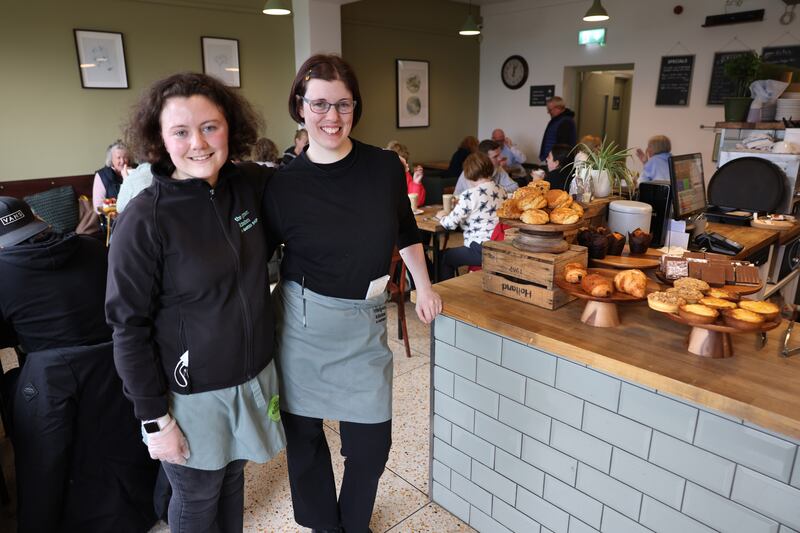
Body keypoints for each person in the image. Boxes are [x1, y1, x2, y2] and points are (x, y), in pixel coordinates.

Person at [266, 54, 442, 533]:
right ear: (300, 108)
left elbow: (405, 230)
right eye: (320, 104)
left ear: (356, 108)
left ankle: (354, 521)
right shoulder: (282, 184)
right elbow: (257, 256)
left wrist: (423, 288)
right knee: (304, 440)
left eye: (343, 104)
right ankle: (326, 525)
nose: (332, 117)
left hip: (364, 322)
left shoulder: (384, 167)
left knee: (370, 445)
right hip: (301, 325)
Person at [105, 72, 286, 532]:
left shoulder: (246, 185)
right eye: (181, 131)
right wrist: (153, 418)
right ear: (160, 141)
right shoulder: (145, 219)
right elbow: (127, 327)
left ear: (231, 128)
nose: (198, 143)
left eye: (211, 126)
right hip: (188, 395)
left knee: (231, 481)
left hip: (250, 376)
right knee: (196, 496)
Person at [0, 197, 157, 532]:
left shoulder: (3, 274)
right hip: (121, 378)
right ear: (35, 221)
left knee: (13, 383)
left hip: (53, 391)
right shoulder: (94, 249)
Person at [436, 152, 506, 280]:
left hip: (480, 249)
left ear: (469, 173)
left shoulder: (469, 194)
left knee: (444, 257)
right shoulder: (501, 190)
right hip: (500, 246)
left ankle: (446, 293)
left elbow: (450, 224)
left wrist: (442, 216)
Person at [454, 139, 518, 195]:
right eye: (495, 156)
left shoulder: (498, 168)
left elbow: (515, 187)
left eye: (499, 154)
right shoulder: (472, 171)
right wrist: (496, 190)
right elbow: (478, 194)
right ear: (484, 159)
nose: (500, 158)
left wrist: (496, 190)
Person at [92, 140, 132, 210]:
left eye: (125, 157)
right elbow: (98, 207)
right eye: (118, 158)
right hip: (113, 219)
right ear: (111, 160)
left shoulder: (136, 171)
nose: (122, 161)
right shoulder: (102, 175)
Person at [386, 139, 426, 205]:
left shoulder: (406, 176)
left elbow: (416, 203)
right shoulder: (383, 177)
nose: (406, 166)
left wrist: (416, 182)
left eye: (405, 162)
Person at [539, 96, 577, 162]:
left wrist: (557, 162)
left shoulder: (566, 121)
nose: (548, 112)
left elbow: (563, 146)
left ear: (558, 108)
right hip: (552, 160)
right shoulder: (557, 120)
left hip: (557, 162)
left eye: (550, 109)